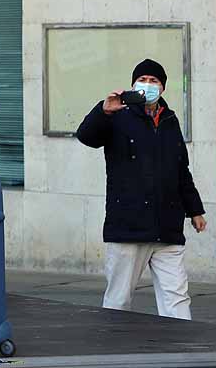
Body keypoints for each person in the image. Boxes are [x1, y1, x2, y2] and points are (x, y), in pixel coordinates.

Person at [75, 58, 206, 320]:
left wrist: (195, 211)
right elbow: (86, 136)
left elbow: (181, 170)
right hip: (128, 227)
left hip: (167, 227)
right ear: (133, 84)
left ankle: (182, 350)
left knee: (176, 297)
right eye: (142, 80)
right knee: (119, 299)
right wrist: (104, 110)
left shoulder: (170, 120)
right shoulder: (117, 116)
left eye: (154, 81)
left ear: (163, 88)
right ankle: (113, 348)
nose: (148, 85)